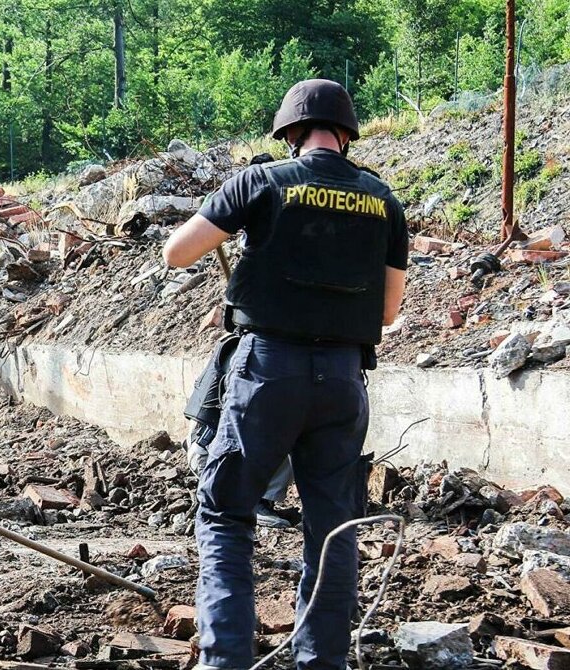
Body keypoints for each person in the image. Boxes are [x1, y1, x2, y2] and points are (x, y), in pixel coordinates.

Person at [162, 79, 407, 670]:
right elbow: (390, 311)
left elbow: (177, 253)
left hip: (267, 374)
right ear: (346, 135)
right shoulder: (384, 200)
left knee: (225, 513)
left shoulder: (263, 181)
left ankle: (225, 661)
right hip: (344, 381)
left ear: (291, 133)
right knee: (332, 527)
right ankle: (321, 662)